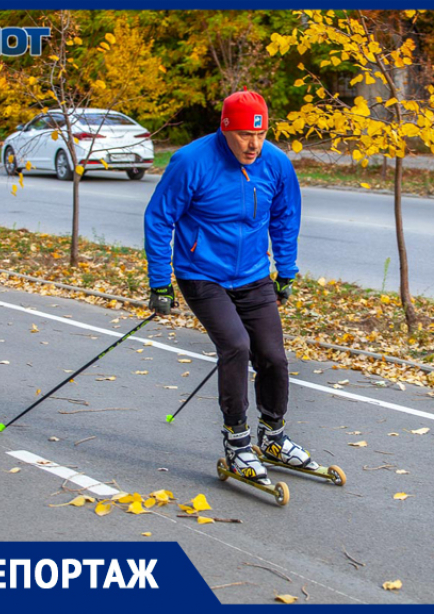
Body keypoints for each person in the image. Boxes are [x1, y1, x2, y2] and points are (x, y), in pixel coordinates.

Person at [143, 89, 317, 485]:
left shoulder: (275, 164)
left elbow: (286, 218)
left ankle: (272, 436)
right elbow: (158, 218)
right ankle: (237, 443)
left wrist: (286, 270)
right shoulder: (191, 162)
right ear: (225, 129)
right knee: (236, 346)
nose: (253, 144)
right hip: (201, 273)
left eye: (260, 134)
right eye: (243, 135)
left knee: (273, 356)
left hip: (254, 274)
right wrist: (160, 282)